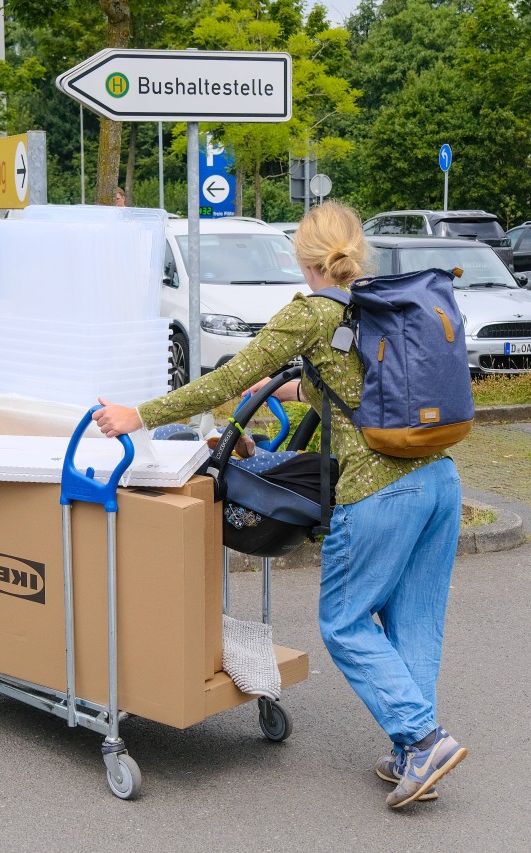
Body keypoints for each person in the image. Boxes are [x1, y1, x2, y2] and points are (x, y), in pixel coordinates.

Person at [92, 200, 467, 808]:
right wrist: (290, 388)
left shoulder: (311, 312)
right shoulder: (380, 305)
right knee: (412, 623)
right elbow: (355, 391)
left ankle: (423, 739)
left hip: (378, 492)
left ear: (303, 257)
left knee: (344, 624)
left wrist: (138, 415)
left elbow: (223, 376)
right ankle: (409, 751)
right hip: (440, 482)